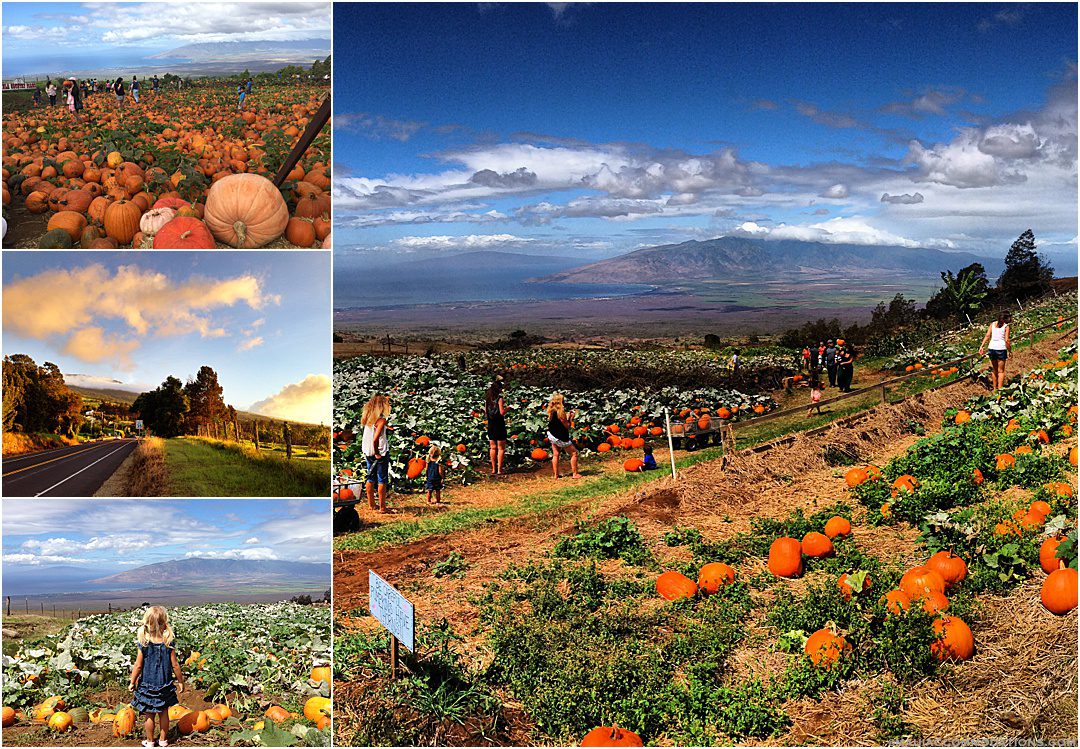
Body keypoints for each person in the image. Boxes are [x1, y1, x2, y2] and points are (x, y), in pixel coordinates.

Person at [128, 606, 184, 749]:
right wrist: (180, 681)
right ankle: (163, 740)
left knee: (149, 715)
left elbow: (138, 666)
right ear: (165, 624)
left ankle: (150, 741)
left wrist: (132, 681)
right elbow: (175, 665)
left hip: (147, 685)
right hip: (165, 685)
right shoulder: (168, 643)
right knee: (164, 713)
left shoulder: (144, 644)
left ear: (146, 624)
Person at [361, 395, 391, 512]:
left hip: (368, 452)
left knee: (370, 477)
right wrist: (378, 452)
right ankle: (383, 507)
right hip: (380, 453)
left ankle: (371, 505)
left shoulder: (368, 419)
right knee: (382, 479)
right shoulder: (382, 420)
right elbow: (375, 439)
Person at [546, 393, 582, 479]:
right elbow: (567, 426)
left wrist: (567, 416)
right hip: (560, 436)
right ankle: (575, 474)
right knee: (574, 453)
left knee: (556, 454)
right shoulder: (561, 412)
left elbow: (558, 421)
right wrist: (571, 418)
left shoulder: (551, 410)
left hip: (552, 434)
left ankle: (556, 475)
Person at [979, 311, 1012, 390]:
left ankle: (994, 389)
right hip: (1001, 349)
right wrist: (1010, 351)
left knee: (994, 370)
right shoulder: (1006, 327)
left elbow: (987, 335)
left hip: (992, 348)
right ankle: (1000, 390)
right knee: (1001, 371)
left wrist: (982, 346)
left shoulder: (992, 324)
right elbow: (1007, 340)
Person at [485, 378, 508, 476]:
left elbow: (486, 412)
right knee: (501, 448)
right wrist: (508, 409)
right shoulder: (499, 399)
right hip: (499, 424)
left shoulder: (488, 399)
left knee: (492, 447)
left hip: (491, 424)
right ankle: (499, 469)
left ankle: (493, 469)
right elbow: (502, 412)